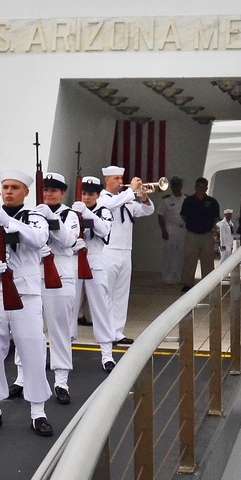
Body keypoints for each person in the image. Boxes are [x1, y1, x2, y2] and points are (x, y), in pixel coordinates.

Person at [0, 169, 53, 436]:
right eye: (5, 187)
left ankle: (38, 410)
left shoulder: (35, 217)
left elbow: (38, 239)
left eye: (14, 187)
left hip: (26, 291)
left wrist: (10, 223)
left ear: (26, 192)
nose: (8, 192)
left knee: (32, 348)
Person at [30, 172, 82, 405]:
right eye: (45, 190)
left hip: (59, 272)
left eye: (53, 190)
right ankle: (24, 377)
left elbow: (70, 240)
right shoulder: (30, 214)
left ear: (62, 192)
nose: (48, 194)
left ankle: (61, 380)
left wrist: (52, 219)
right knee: (29, 329)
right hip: (32, 273)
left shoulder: (69, 215)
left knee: (59, 329)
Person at [97, 165, 151, 345]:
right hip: (109, 250)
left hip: (125, 250)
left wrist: (144, 198)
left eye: (121, 178)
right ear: (107, 180)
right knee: (106, 293)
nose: (120, 182)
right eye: (116, 179)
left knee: (121, 293)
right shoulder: (102, 199)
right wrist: (130, 190)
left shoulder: (125, 199)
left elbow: (146, 211)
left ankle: (117, 332)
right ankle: (105, 332)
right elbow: (111, 205)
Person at [72, 175, 117, 372]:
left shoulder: (104, 212)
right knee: (69, 308)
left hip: (95, 258)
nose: (86, 197)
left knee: (100, 307)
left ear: (98, 195)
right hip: (74, 260)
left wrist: (87, 215)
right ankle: (63, 351)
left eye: (90, 194)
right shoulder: (72, 212)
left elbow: (103, 230)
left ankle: (107, 353)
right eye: (83, 193)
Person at [180, 177, 221, 292]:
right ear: (195, 187)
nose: (200, 189)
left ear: (207, 188)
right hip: (192, 234)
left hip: (207, 234)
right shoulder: (189, 201)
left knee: (207, 259)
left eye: (203, 187)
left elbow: (216, 217)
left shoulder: (212, 202)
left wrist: (208, 225)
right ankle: (187, 283)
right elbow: (183, 216)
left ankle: (208, 284)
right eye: (198, 186)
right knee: (190, 259)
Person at [156, 176, 186, 285]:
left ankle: (179, 276)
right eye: (174, 185)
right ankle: (167, 277)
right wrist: (164, 230)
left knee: (181, 254)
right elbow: (160, 215)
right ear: (171, 187)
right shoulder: (166, 200)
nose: (176, 187)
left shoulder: (186, 199)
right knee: (168, 254)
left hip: (183, 229)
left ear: (181, 186)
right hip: (170, 228)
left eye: (178, 185)